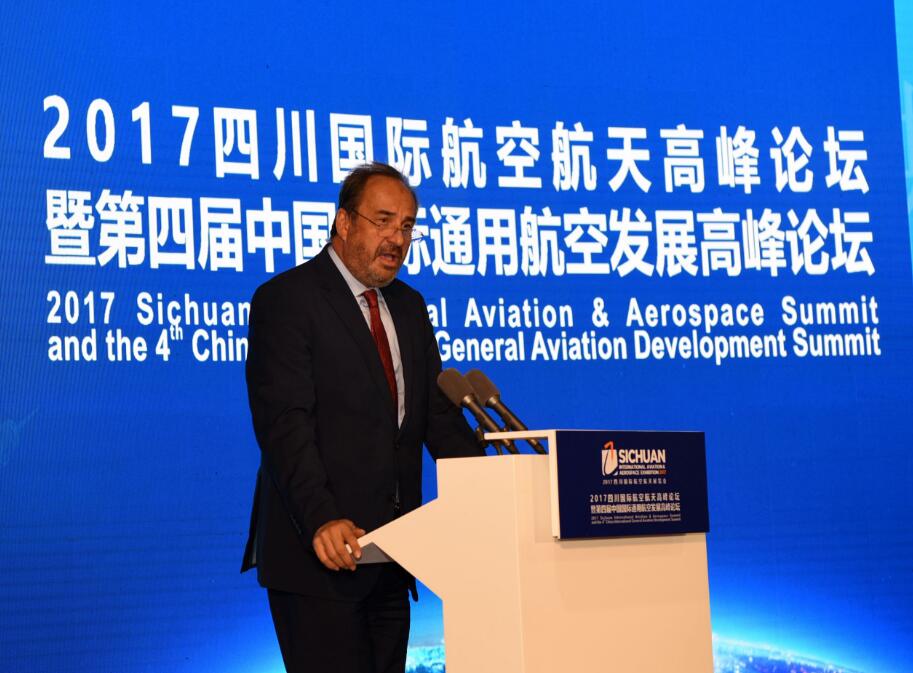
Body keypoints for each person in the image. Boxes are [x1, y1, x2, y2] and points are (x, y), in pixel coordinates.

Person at [241, 162, 482, 673]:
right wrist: (320, 518)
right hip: (320, 556)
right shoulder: (288, 300)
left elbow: (435, 419)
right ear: (344, 222)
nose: (397, 239)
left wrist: (504, 477)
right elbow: (285, 426)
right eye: (383, 221)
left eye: (407, 226)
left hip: (391, 557)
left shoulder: (409, 307)